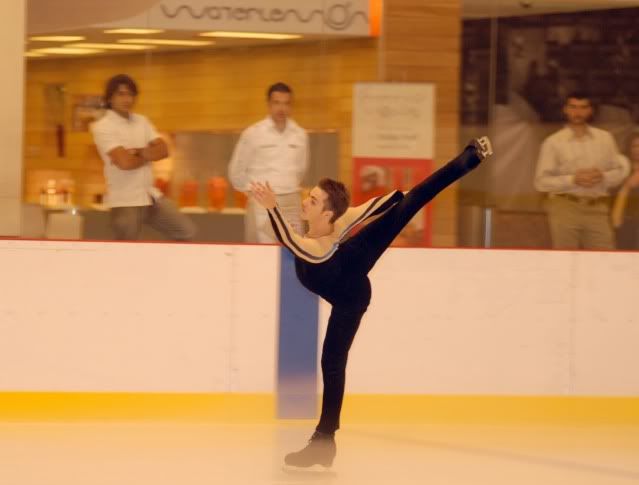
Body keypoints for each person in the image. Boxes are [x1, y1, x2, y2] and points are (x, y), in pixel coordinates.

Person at [250, 137, 493, 468]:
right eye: (309, 197)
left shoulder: (319, 247)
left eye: (313, 199)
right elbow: (294, 237)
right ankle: (325, 443)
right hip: (346, 261)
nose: (307, 201)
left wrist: (271, 206)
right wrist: (272, 209)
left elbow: (291, 238)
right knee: (403, 204)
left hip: (351, 292)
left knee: (331, 362)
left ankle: (469, 158)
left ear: (329, 212)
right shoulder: (323, 233)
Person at [91, 74, 195, 241]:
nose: (127, 99)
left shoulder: (142, 121)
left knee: (186, 231)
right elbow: (125, 163)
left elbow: (164, 150)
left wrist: (138, 152)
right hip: (125, 200)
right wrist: (148, 154)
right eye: (121, 94)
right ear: (110, 98)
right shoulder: (103, 127)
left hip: (150, 196)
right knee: (126, 250)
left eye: (131, 94)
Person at [534, 92, 630, 249]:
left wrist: (603, 176)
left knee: (604, 260)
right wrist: (573, 179)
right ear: (565, 109)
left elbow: (620, 171)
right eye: (573, 107)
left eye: (583, 107)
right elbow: (540, 182)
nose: (577, 112)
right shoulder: (553, 142)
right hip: (565, 207)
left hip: (597, 207)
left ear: (590, 110)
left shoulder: (605, 139)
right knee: (565, 260)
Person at [228, 82, 309, 243]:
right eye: (277, 103)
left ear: (291, 106)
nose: (281, 108)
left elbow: (301, 169)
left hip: (292, 200)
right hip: (262, 202)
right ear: (269, 104)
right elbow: (236, 172)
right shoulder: (253, 133)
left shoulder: (300, 134)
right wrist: (253, 192)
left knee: (294, 252)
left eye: (286, 103)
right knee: (260, 255)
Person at [612, 132, 639, 249]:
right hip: (625, 221)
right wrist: (627, 185)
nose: (638, 150)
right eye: (635, 146)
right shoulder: (621, 169)